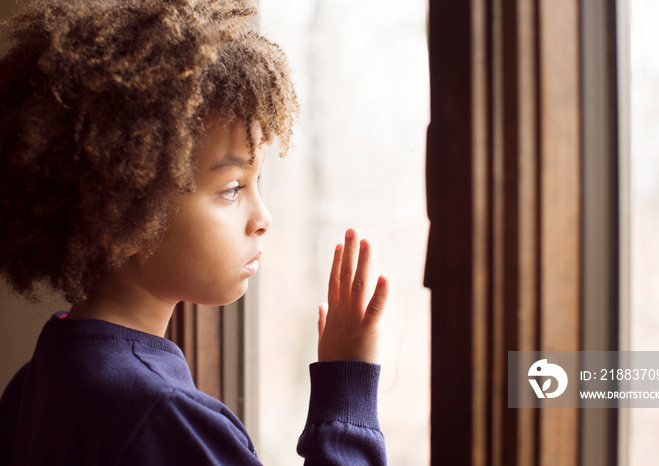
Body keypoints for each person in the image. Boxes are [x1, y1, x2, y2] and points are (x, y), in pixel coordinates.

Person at [0, 0, 389, 464]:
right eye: (231, 189)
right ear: (122, 213)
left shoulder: (38, 380)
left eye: (256, 183)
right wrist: (347, 392)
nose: (263, 218)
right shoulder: (161, 414)